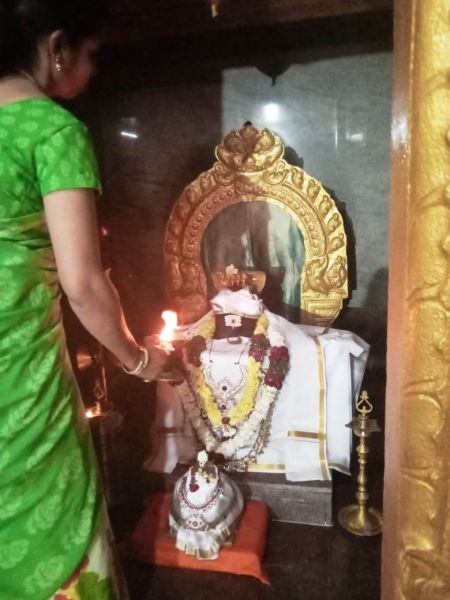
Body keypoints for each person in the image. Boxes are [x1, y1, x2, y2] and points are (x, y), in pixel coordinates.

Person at [0, 1, 168, 598]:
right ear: (57, 46)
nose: (94, 70)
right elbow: (85, 285)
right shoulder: (52, 129)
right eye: (91, 53)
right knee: (51, 519)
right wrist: (141, 361)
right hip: (18, 372)